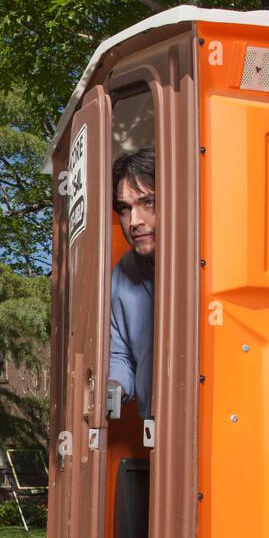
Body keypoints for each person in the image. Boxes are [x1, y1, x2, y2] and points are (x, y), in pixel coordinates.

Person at [108, 146, 155, 421]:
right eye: (125, 209)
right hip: (155, 426)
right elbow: (120, 354)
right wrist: (113, 387)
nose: (134, 222)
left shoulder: (212, 263)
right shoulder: (123, 274)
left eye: (148, 203)